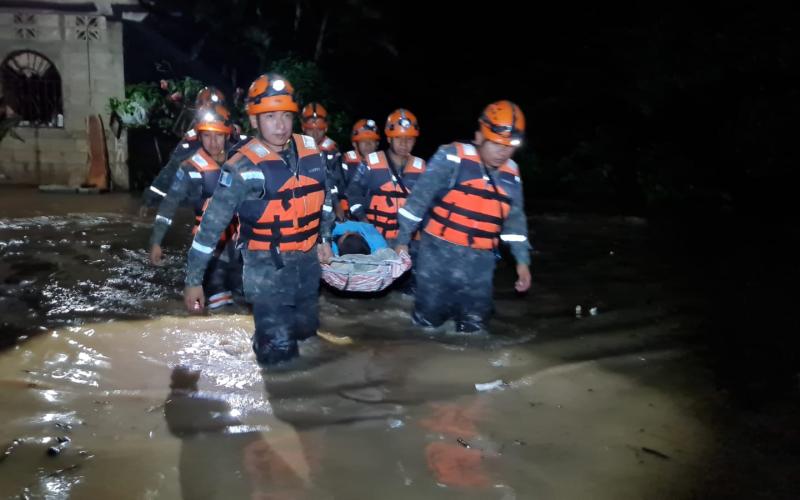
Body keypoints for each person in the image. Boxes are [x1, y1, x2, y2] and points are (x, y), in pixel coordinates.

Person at [183, 73, 335, 366]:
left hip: (307, 267)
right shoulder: (240, 168)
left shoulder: (311, 150)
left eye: (285, 116)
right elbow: (211, 228)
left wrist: (325, 238)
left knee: (307, 337)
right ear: (254, 121)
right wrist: (193, 280)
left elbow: (325, 199)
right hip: (268, 271)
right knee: (280, 356)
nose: (280, 126)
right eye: (269, 117)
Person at [394, 100, 532, 333]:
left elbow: (515, 223)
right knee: (426, 327)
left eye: (509, 147)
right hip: (437, 257)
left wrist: (522, 263)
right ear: (479, 137)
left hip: (480, 264)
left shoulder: (512, 174)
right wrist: (402, 242)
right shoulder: (450, 157)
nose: (503, 152)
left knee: (475, 329)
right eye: (497, 144)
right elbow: (417, 201)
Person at [148, 104, 241, 309]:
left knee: (250, 303)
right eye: (207, 136)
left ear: (227, 136)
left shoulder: (241, 162)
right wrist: (156, 241)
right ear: (200, 137)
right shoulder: (190, 167)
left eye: (218, 136)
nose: (213, 142)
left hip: (241, 246)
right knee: (220, 307)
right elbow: (169, 204)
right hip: (209, 247)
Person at [141, 86, 229, 214]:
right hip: (194, 202)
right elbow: (169, 172)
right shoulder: (190, 142)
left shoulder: (234, 139)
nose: (213, 141)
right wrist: (150, 201)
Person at [345, 109, 426, 244]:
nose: (404, 144)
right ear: (389, 138)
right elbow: (353, 192)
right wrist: (364, 222)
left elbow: (427, 205)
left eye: (409, 139)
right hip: (376, 240)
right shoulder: (370, 163)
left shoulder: (421, 167)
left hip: (410, 242)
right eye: (398, 138)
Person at [301, 102, 346, 218]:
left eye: (319, 130)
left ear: (325, 128)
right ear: (304, 128)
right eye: (311, 129)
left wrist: (337, 205)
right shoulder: (295, 147)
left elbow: (337, 179)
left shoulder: (332, 149)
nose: (315, 134)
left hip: (328, 204)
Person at [337, 119, 381, 217]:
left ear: (377, 144)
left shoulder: (383, 166)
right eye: (363, 141)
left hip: (374, 219)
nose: (368, 145)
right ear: (354, 144)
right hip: (348, 219)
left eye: (372, 141)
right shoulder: (344, 164)